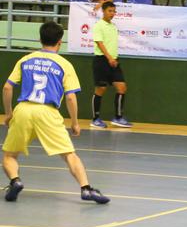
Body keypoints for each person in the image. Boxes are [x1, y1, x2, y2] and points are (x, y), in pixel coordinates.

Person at [2, 21, 109, 204]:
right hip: (48, 112)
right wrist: (75, 122)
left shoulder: (25, 59)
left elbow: (7, 87)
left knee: (9, 155)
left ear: (40, 39)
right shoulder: (64, 64)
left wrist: (9, 113)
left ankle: (15, 181)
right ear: (60, 42)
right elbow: (70, 97)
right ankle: (86, 188)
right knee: (69, 155)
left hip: (23, 110)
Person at [91, 2, 132, 129]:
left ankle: (118, 118)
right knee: (100, 89)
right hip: (102, 61)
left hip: (114, 62)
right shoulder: (98, 26)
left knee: (122, 87)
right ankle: (95, 119)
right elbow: (100, 43)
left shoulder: (113, 26)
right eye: (110, 11)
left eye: (114, 11)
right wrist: (109, 58)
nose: (112, 13)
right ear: (103, 11)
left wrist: (113, 59)